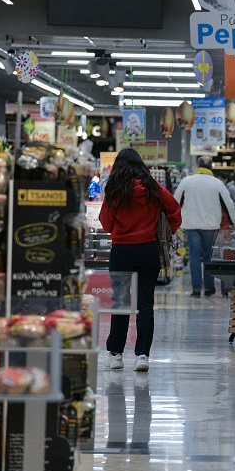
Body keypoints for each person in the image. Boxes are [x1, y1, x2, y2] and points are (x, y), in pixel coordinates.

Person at [99, 148, 181, 372]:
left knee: (121, 302)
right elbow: (174, 209)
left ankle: (116, 355)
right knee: (145, 304)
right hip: (148, 250)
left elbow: (105, 224)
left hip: (122, 251)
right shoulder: (153, 187)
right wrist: (167, 232)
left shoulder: (115, 189)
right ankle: (142, 355)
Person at [174, 156, 235, 298]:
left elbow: (175, 202)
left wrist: (172, 222)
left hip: (191, 224)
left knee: (195, 256)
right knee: (209, 257)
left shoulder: (186, 182)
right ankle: (209, 288)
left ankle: (196, 289)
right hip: (210, 225)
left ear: (198, 165)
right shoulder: (217, 184)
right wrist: (234, 222)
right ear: (211, 167)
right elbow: (229, 204)